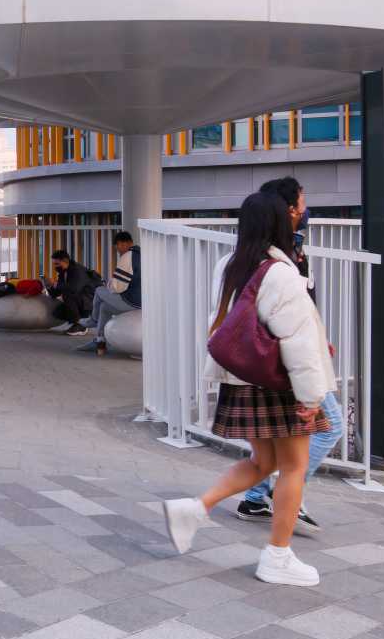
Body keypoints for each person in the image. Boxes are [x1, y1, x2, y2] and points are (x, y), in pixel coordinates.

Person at [161, 190, 335, 586]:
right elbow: (297, 341)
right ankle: (278, 556)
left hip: (243, 380)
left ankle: (195, 508)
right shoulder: (281, 272)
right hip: (279, 383)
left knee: (263, 463)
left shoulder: (230, 264)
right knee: (294, 467)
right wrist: (311, 398)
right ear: (279, 223)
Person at [235, 178, 330, 534]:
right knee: (327, 427)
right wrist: (310, 389)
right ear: (286, 210)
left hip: (279, 361)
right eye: (301, 204)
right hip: (287, 364)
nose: (305, 210)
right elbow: (288, 320)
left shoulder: (272, 251)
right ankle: (280, 497)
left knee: (268, 454)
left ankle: (256, 497)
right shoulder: (277, 258)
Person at [74, 231, 141, 353]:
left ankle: (92, 320)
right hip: (143, 301)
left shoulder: (128, 256)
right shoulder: (142, 255)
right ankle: (100, 342)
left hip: (131, 301)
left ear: (122, 244)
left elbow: (118, 288)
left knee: (99, 290)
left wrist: (109, 284)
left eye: (117, 248)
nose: (118, 251)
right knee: (105, 307)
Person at [45, 249, 99, 334]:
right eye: (54, 264)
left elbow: (73, 289)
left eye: (57, 264)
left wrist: (55, 284)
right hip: (80, 301)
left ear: (65, 261)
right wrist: (49, 286)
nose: (55, 267)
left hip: (89, 303)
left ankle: (81, 326)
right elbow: (56, 293)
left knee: (67, 293)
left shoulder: (78, 270)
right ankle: (77, 323)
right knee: (58, 312)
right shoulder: (63, 273)